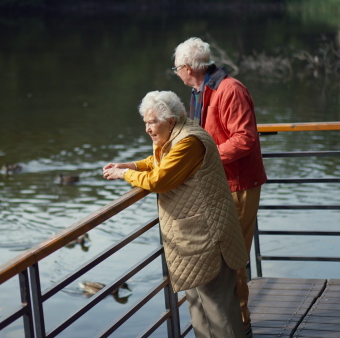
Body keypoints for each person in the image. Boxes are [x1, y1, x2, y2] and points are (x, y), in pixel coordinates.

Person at [103, 90, 248, 337]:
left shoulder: (189, 141)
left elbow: (160, 179)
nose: (148, 129)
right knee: (199, 309)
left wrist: (124, 174)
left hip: (208, 239)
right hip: (192, 238)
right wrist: (133, 165)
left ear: (170, 120)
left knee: (219, 310)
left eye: (152, 122)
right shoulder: (177, 135)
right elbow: (161, 161)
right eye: (145, 123)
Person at [172, 37, 268, 337]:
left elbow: (245, 138)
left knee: (233, 260)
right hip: (220, 185)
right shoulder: (201, 91)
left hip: (238, 185)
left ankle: (240, 325)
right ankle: (230, 325)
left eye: (176, 68)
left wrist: (207, 156)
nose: (176, 73)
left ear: (188, 68)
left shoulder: (230, 89)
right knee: (224, 259)